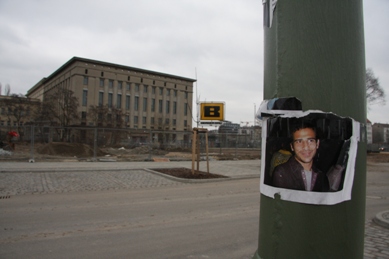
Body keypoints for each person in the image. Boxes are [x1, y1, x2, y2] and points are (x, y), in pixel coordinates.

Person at [272, 123, 343, 192]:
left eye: (310, 140)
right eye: (299, 141)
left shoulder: (322, 177)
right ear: (292, 146)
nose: (306, 147)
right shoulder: (282, 173)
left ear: (317, 144)